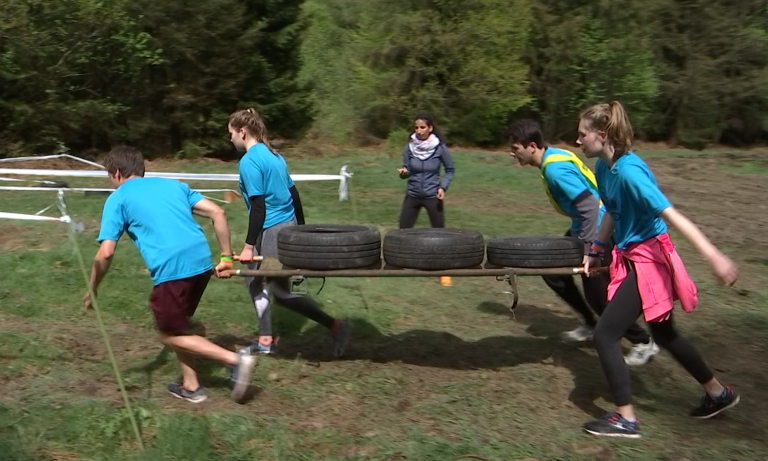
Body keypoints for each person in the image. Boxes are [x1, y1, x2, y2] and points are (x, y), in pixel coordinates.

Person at [578, 101, 740, 438]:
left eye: (582, 134)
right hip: (631, 254)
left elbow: (670, 214)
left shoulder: (631, 173)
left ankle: (626, 420)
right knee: (664, 334)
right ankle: (717, 393)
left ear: (602, 135)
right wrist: (597, 248)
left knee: (606, 334)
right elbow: (611, 210)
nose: (577, 140)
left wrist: (713, 256)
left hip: (649, 261)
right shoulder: (605, 168)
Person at [84, 146, 256, 404]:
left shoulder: (117, 199)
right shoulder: (173, 185)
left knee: (168, 333)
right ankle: (191, 385)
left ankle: (236, 361)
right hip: (201, 262)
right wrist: (226, 258)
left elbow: (105, 253)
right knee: (179, 324)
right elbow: (217, 213)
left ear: (116, 173)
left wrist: (93, 288)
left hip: (173, 269)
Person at [507, 119, 658, 366]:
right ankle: (590, 323)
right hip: (585, 225)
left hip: (599, 228)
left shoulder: (555, 170)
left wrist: (591, 250)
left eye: (515, 147)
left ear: (531, 146)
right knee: (552, 270)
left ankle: (643, 341)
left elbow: (588, 206)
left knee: (599, 295)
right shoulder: (552, 157)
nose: (512, 152)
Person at [228, 107, 352, 358]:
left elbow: (259, 207)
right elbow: (294, 194)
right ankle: (328, 327)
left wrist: (249, 245)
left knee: (266, 285)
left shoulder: (249, 162)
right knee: (279, 290)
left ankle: (329, 327)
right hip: (289, 226)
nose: (230, 139)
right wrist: (302, 231)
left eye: (230, 133)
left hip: (271, 231)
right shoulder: (276, 156)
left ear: (242, 132)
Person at [397, 112, 455, 229]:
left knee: (439, 233)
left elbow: (450, 170)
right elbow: (407, 169)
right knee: (402, 231)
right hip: (412, 194)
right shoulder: (409, 147)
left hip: (432, 196)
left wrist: (443, 187)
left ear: (430, 128)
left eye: (422, 127)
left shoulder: (440, 148)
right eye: (416, 127)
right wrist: (404, 173)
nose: (419, 131)